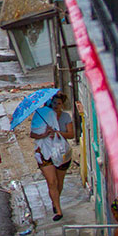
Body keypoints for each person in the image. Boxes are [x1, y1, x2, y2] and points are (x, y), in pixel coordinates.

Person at [31, 92, 76, 221]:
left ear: (62, 105)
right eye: (54, 103)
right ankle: (58, 209)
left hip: (60, 152)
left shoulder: (65, 117)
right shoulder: (42, 115)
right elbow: (33, 134)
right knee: (52, 181)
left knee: (59, 182)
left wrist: (57, 133)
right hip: (45, 153)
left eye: (59, 104)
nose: (56, 106)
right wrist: (44, 134)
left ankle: (55, 200)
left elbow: (71, 134)